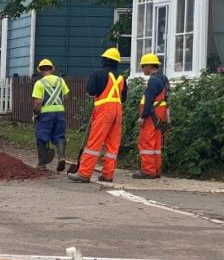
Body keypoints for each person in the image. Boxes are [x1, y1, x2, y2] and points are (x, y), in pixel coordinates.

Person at [68, 47, 126, 183]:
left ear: (105, 60)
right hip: (118, 112)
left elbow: (91, 91)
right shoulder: (122, 78)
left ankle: (84, 173)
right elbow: (123, 98)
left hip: (104, 111)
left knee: (94, 143)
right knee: (112, 145)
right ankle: (108, 174)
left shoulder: (98, 74)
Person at [133, 53, 170, 179]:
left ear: (149, 66)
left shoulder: (153, 81)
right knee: (156, 145)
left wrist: (143, 116)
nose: (142, 68)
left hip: (151, 116)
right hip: (160, 116)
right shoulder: (163, 79)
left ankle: (148, 170)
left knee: (146, 143)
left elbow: (149, 100)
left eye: (143, 66)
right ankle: (156, 170)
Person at [31, 58, 69, 170]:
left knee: (42, 137)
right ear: (51, 69)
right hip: (60, 112)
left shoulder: (39, 83)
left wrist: (36, 113)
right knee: (59, 136)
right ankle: (61, 157)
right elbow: (66, 96)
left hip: (46, 114)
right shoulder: (60, 81)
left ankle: (42, 164)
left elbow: (38, 102)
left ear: (41, 70)